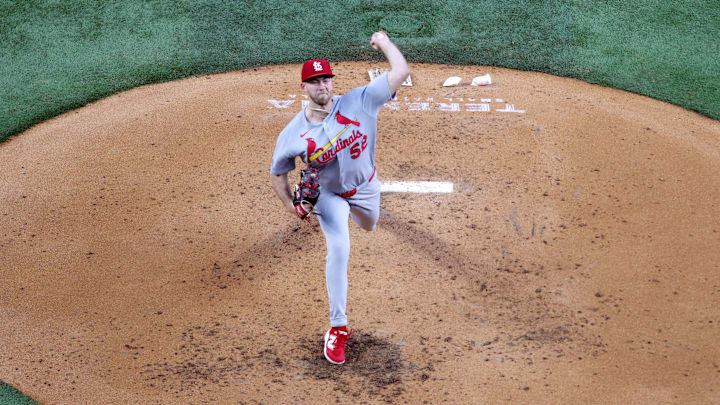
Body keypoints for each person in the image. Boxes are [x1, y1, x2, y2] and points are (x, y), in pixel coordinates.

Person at [269, 31, 411, 365]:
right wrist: (292, 206)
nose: (322, 86)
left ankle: (363, 212)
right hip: (329, 197)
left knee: (370, 225)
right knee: (339, 248)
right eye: (315, 82)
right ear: (304, 87)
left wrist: (384, 42)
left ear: (333, 83)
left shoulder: (360, 100)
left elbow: (401, 72)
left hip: (366, 188)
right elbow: (278, 173)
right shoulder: (293, 134)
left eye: (326, 80)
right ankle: (338, 327)